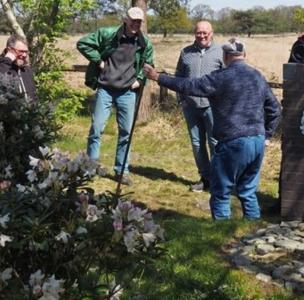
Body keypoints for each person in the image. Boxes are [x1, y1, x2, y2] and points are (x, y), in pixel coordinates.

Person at [143, 38, 281, 220]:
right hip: (257, 140)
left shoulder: (220, 78)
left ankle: (220, 235)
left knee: (221, 191)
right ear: (244, 55)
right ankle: (251, 235)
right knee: (248, 191)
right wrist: (267, 134)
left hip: (232, 141)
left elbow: (188, 85)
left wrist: (158, 77)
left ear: (225, 56)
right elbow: (275, 109)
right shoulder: (257, 76)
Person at [76, 7, 153, 185]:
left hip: (127, 92)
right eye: (133, 20)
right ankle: (91, 167)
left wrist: (139, 80)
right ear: (125, 19)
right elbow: (83, 43)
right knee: (96, 129)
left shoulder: (144, 43)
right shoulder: (108, 34)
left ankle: (121, 171)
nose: (135, 24)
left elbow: (148, 63)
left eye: (139, 21)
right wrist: (99, 61)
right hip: (105, 89)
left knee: (126, 132)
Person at [175, 21, 224, 192]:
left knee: (215, 143)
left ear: (212, 33)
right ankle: (205, 178)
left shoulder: (221, 52)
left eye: (205, 33)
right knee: (197, 144)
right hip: (191, 106)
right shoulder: (186, 52)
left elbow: (228, 78)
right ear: (194, 34)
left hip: (213, 107)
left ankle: (219, 179)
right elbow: (178, 77)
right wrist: (181, 99)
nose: (202, 36)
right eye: (198, 33)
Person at [0, 34, 37, 101]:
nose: (24, 55)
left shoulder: (26, 70)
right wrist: (7, 60)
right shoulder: (3, 66)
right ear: (9, 50)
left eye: (26, 52)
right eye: (21, 51)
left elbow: (33, 95)